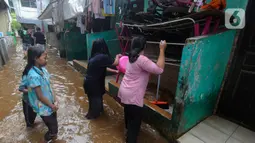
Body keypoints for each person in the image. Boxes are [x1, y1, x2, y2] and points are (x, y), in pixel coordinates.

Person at [118, 37, 167, 143]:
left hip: (124, 91)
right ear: (144, 47)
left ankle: (127, 132)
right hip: (133, 96)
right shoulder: (141, 59)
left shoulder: (131, 56)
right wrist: (162, 50)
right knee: (134, 126)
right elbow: (159, 70)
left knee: (128, 115)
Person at [25, 46, 58, 142]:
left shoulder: (44, 70)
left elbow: (50, 86)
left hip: (50, 104)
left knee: (53, 126)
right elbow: (40, 96)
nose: (46, 60)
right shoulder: (33, 75)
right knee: (53, 131)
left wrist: (55, 99)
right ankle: (42, 141)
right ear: (36, 58)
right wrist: (51, 105)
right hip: (44, 107)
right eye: (44, 58)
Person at [83, 38, 121, 120]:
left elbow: (103, 68)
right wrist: (118, 56)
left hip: (89, 84)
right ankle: (93, 125)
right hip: (94, 85)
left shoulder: (94, 57)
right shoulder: (102, 57)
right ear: (103, 47)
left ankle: (91, 118)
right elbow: (116, 62)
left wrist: (115, 71)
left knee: (94, 105)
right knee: (95, 111)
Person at [19, 63, 37, 128]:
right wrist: (31, 91)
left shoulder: (35, 76)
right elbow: (21, 88)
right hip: (27, 101)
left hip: (34, 100)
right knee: (29, 122)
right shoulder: (26, 77)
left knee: (33, 115)